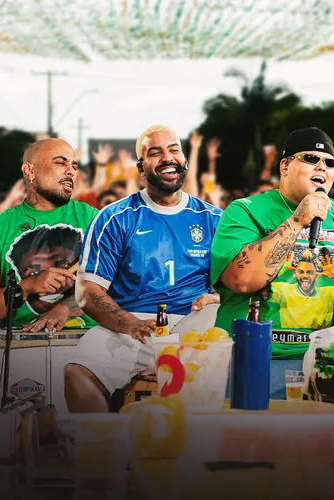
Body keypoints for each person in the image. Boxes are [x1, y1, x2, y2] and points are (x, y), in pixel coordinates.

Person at [211, 127, 334, 398]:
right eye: (310, 159)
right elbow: (241, 279)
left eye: (330, 163)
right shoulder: (245, 211)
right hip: (258, 362)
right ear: (285, 166)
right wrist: (297, 220)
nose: (322, 167)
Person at [64, 124, 222, 413]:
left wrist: (215, 297)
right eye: (155, 152)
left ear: (185, 160)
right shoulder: (115, 217)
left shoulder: (214, 219)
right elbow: (87, 290)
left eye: (174, 150)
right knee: (77, 374)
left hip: (195, 325)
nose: (168, 157)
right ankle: (104, 439)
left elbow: (237, 285)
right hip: (132, 328)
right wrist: (130, 324)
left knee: (226, 332)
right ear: (141, 167)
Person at [0, 138, 98, 332]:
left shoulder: (95, 220)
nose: (71, 171)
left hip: (86, 341)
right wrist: (29, 285)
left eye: (74, 165)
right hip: (19, 343)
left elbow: (115, 285)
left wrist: (65, 308)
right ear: (29, 171)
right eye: (60, 162)